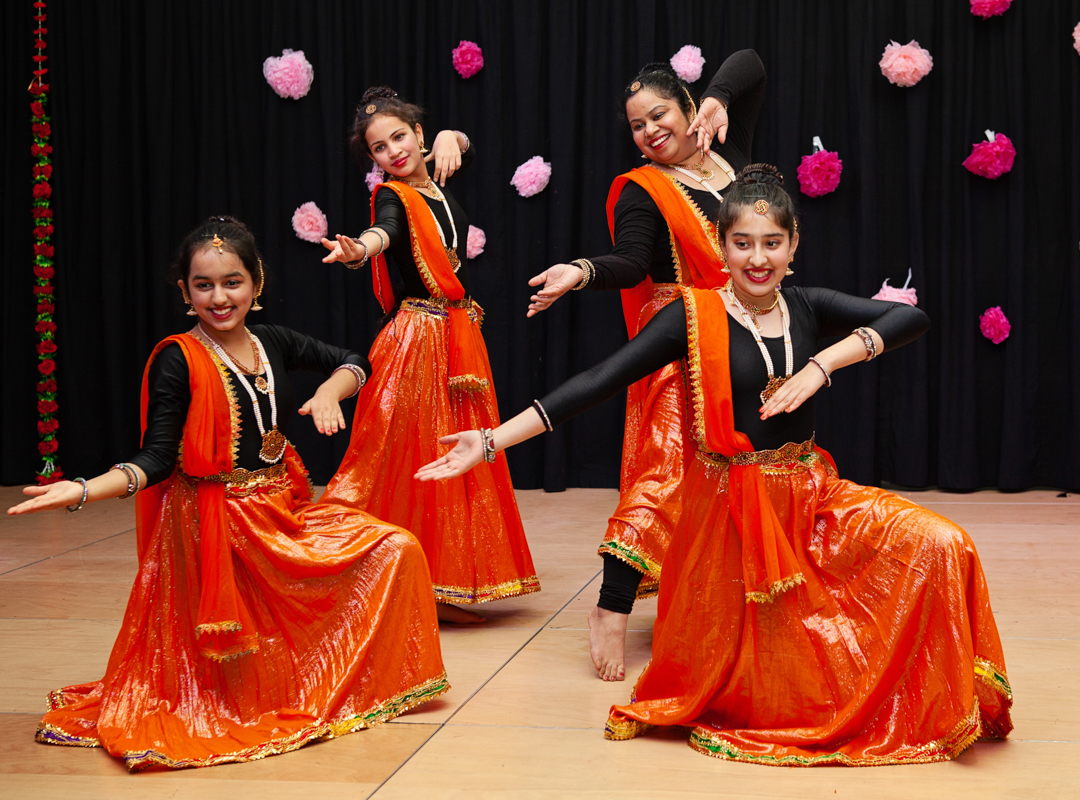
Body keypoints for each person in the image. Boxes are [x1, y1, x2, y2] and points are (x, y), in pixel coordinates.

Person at [417, 165, 1014, 766]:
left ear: (793, 245)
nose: (758, 259)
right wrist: (492, 441)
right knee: (781, 679)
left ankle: (924, 695)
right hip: (732, 522)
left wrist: (821, 366)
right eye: (743, 243)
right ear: (721, 247)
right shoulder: (693, 315)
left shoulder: (806, 306)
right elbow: (599, 381)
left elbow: (911, 318)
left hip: (812, 499)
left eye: (772, 243)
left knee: (943, 542)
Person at [8, 217, 447, 771]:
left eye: (233, 282)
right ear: (185, 293)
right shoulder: (179, 357)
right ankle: (265, 690)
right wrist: (80, 490)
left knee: (394, 548)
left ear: (257, 282)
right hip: (214, 526)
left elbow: (355, 360)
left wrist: (334, 392)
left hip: (280, 510)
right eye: (204, 285)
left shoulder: (272, 341)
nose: (220, 297)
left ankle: (336, 677)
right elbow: (156, 460)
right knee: (229, 672)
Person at [526, 50, 766, 681]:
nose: (649, 131)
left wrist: (717, 98)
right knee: (661, 481)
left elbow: (752, 63)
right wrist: (581, 271)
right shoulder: (644, 189)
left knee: (745, 473)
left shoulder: (728, 147)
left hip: (749, 342)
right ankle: (609, 609)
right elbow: (631, 263)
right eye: (636, 125)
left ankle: (733, 598)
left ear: (690, 110)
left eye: (659, 113)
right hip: (680, 348)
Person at [320, 87, 538, 624]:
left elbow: (457, 143)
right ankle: (381, 577)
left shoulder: (438, 186)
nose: (393, 151)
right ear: (372, 161)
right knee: (402, 457)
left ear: (418, 136)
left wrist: (451, 135)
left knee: (456, 450)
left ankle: (444, 584)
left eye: (400, 137)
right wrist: (360, 249)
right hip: (418, 338)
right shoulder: (395, 197)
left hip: (456, 337)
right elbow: (385, 232)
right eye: (378, 148)